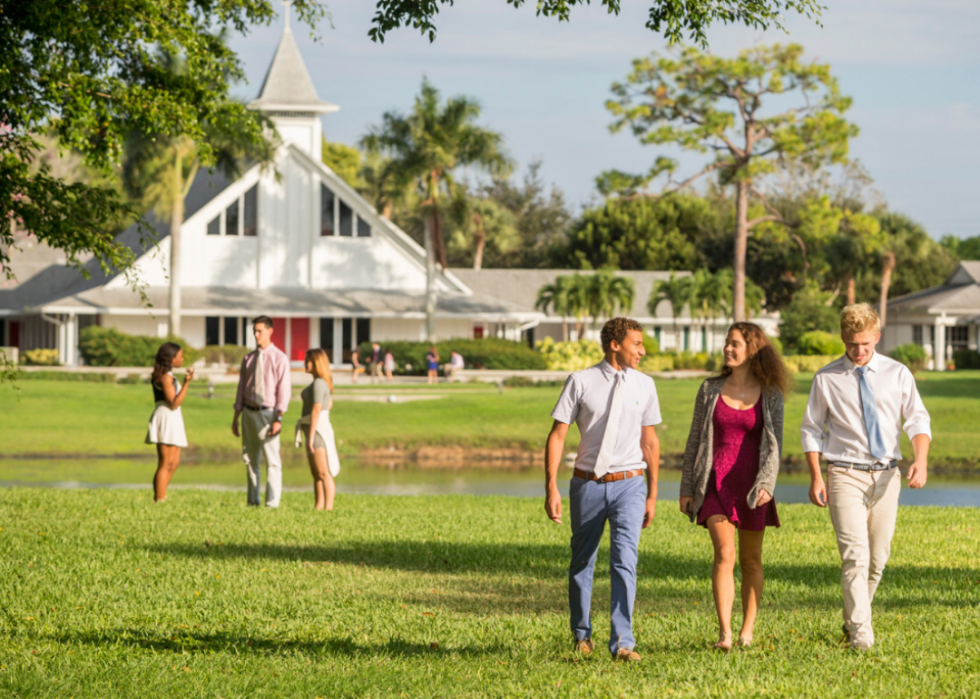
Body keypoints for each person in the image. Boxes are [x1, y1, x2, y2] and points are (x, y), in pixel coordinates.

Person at [801, 303, 931, 651]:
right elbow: (812, 431)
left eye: (865, 344)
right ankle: (862, 638)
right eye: (852, 344)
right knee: (855, 557)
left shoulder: (898, 373)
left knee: (877, 560)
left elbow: (917, 420)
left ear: (877, 336)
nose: (859, 351)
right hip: (844, 474)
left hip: (887, 476)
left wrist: (921, 459)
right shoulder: (826, 378)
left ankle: (852, 621)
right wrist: (816, 476)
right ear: (844, 338)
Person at [545, 317, 661, 662]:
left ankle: (623, 642)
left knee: (625, 562)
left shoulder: (645, 385)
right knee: (582, 562)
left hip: (630, 484)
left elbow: (650, 442)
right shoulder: (580, 382)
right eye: (636, 343)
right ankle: (582, 635)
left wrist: (653, 493)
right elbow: (557, 435)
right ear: (615, 344)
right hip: (587, 484)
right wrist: (551, 486)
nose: (642, 350)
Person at [679, 322, 789, 651]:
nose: (728, 348)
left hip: (753, 485)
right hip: (714, 481)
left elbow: (775, 445)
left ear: (753, 349)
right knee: (724, 554)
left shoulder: (771, 394)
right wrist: (687, 486)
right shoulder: (710, 389)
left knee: (751, 560)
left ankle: (747, 631)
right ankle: (725, 633)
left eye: (736, 343)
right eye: (727, 342)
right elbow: (695, 438)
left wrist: (767, 482)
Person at [232, 316, 291, 508]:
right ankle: (253, 500)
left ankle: (272, 502)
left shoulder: (279, 358)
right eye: (254, 331)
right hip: (249, 413)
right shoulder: (248, 359)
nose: (256, 335)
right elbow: (241, 388)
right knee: (250, 459)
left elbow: (284, 390)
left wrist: (278, 418)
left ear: (270, 331)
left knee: (272, 461)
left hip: (268, 413)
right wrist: (236, 416)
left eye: (260, 331)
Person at [146, 342, 194, 502]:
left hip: (173, 418)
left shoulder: (168, 375)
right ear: (171, 359)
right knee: (165, 463)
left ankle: (161, 495)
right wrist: (187, 383)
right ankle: (159, 499)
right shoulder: (165, 377)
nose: (182, 359)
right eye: (180, 356)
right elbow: (173, 402)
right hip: (166, 416)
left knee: (174, 463)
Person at [295, 348, 340, 510]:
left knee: (323, 472)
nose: (304, 363)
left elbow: (316, 410)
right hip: (311, 430)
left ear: (316, 363)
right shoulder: (318, 383)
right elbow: (328, 403)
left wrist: (311, 436)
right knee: (316, 474)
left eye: (308, 360)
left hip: (317, 431)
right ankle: (318, 506)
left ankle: (328, 508)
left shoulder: (320, 383)